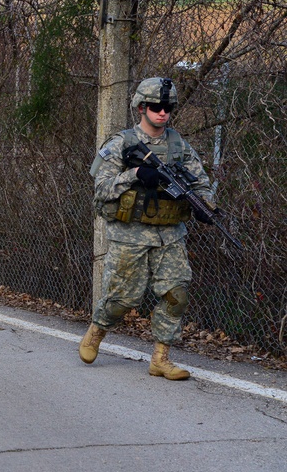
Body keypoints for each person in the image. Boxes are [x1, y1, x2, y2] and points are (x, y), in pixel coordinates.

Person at [81, 77, 216, 381]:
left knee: (176, 294)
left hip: (170, 233)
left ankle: (161, 358)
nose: (162, 113)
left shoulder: (179, 145)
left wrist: (206, 205)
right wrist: (136, 174)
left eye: (168, 107)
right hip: (130, 234)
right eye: (156, 106)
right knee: (122, 300)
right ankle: (97, 330)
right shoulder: (121, 144)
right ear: (141, 107)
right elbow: (101, 189)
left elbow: (200, 182)